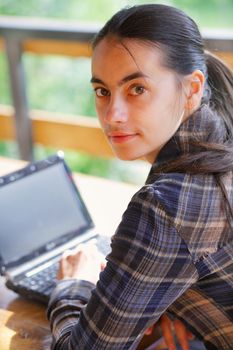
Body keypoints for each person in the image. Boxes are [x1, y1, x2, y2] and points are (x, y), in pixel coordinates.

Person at [47, 4, 233, 350]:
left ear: (192, 88)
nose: (113, 115)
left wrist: (73, 284)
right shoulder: (222, 137)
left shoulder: (165, 206)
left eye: (137, 89)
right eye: (102, 91)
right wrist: (170, 303)